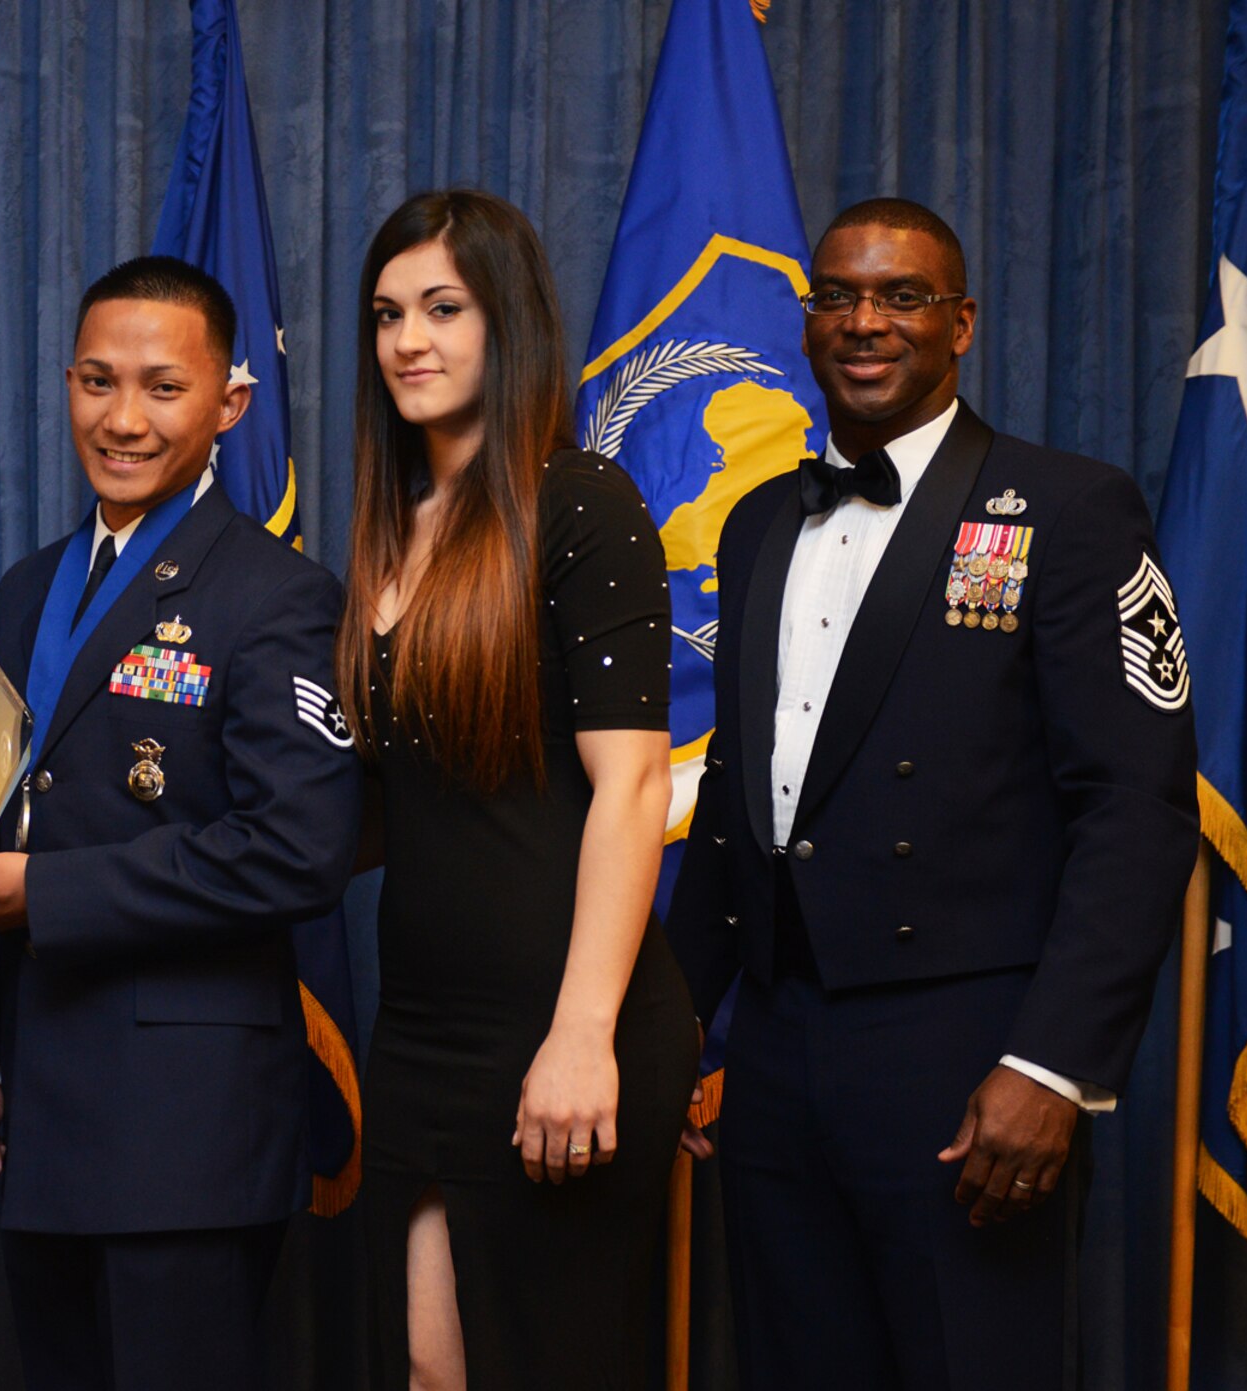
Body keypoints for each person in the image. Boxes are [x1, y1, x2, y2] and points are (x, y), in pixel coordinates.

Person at [665, 198, 1199, 1390]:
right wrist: (669, 1027)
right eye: (837, 297)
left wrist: (1053, 1066)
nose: (864, 321)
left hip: (966, 1061)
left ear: (958, 324)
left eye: (900, 297)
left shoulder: (1066, 509)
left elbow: (1135, 807)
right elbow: (731, 808)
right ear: (804, 326)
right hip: (774, 1051)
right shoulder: (755, 524)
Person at [0, 256, 361, 1391]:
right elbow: (13, 822)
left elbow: (297, 851)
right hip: (42, 1105)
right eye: (95, 379)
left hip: (185, 1129)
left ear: (229, 403)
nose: (121, 419)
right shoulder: (33, 587)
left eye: (163, 387)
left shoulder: (278, 596)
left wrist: (48, 898)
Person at [339, 188, 699, 1389]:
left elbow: (633, 782)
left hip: (561, 1026)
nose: (408, 341)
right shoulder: (394, 524)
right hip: (421, 1030)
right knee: (427, 1370)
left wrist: (581, 1035)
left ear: (509, 323)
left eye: (443, 308)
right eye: (387, 313)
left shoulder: (580, 505)